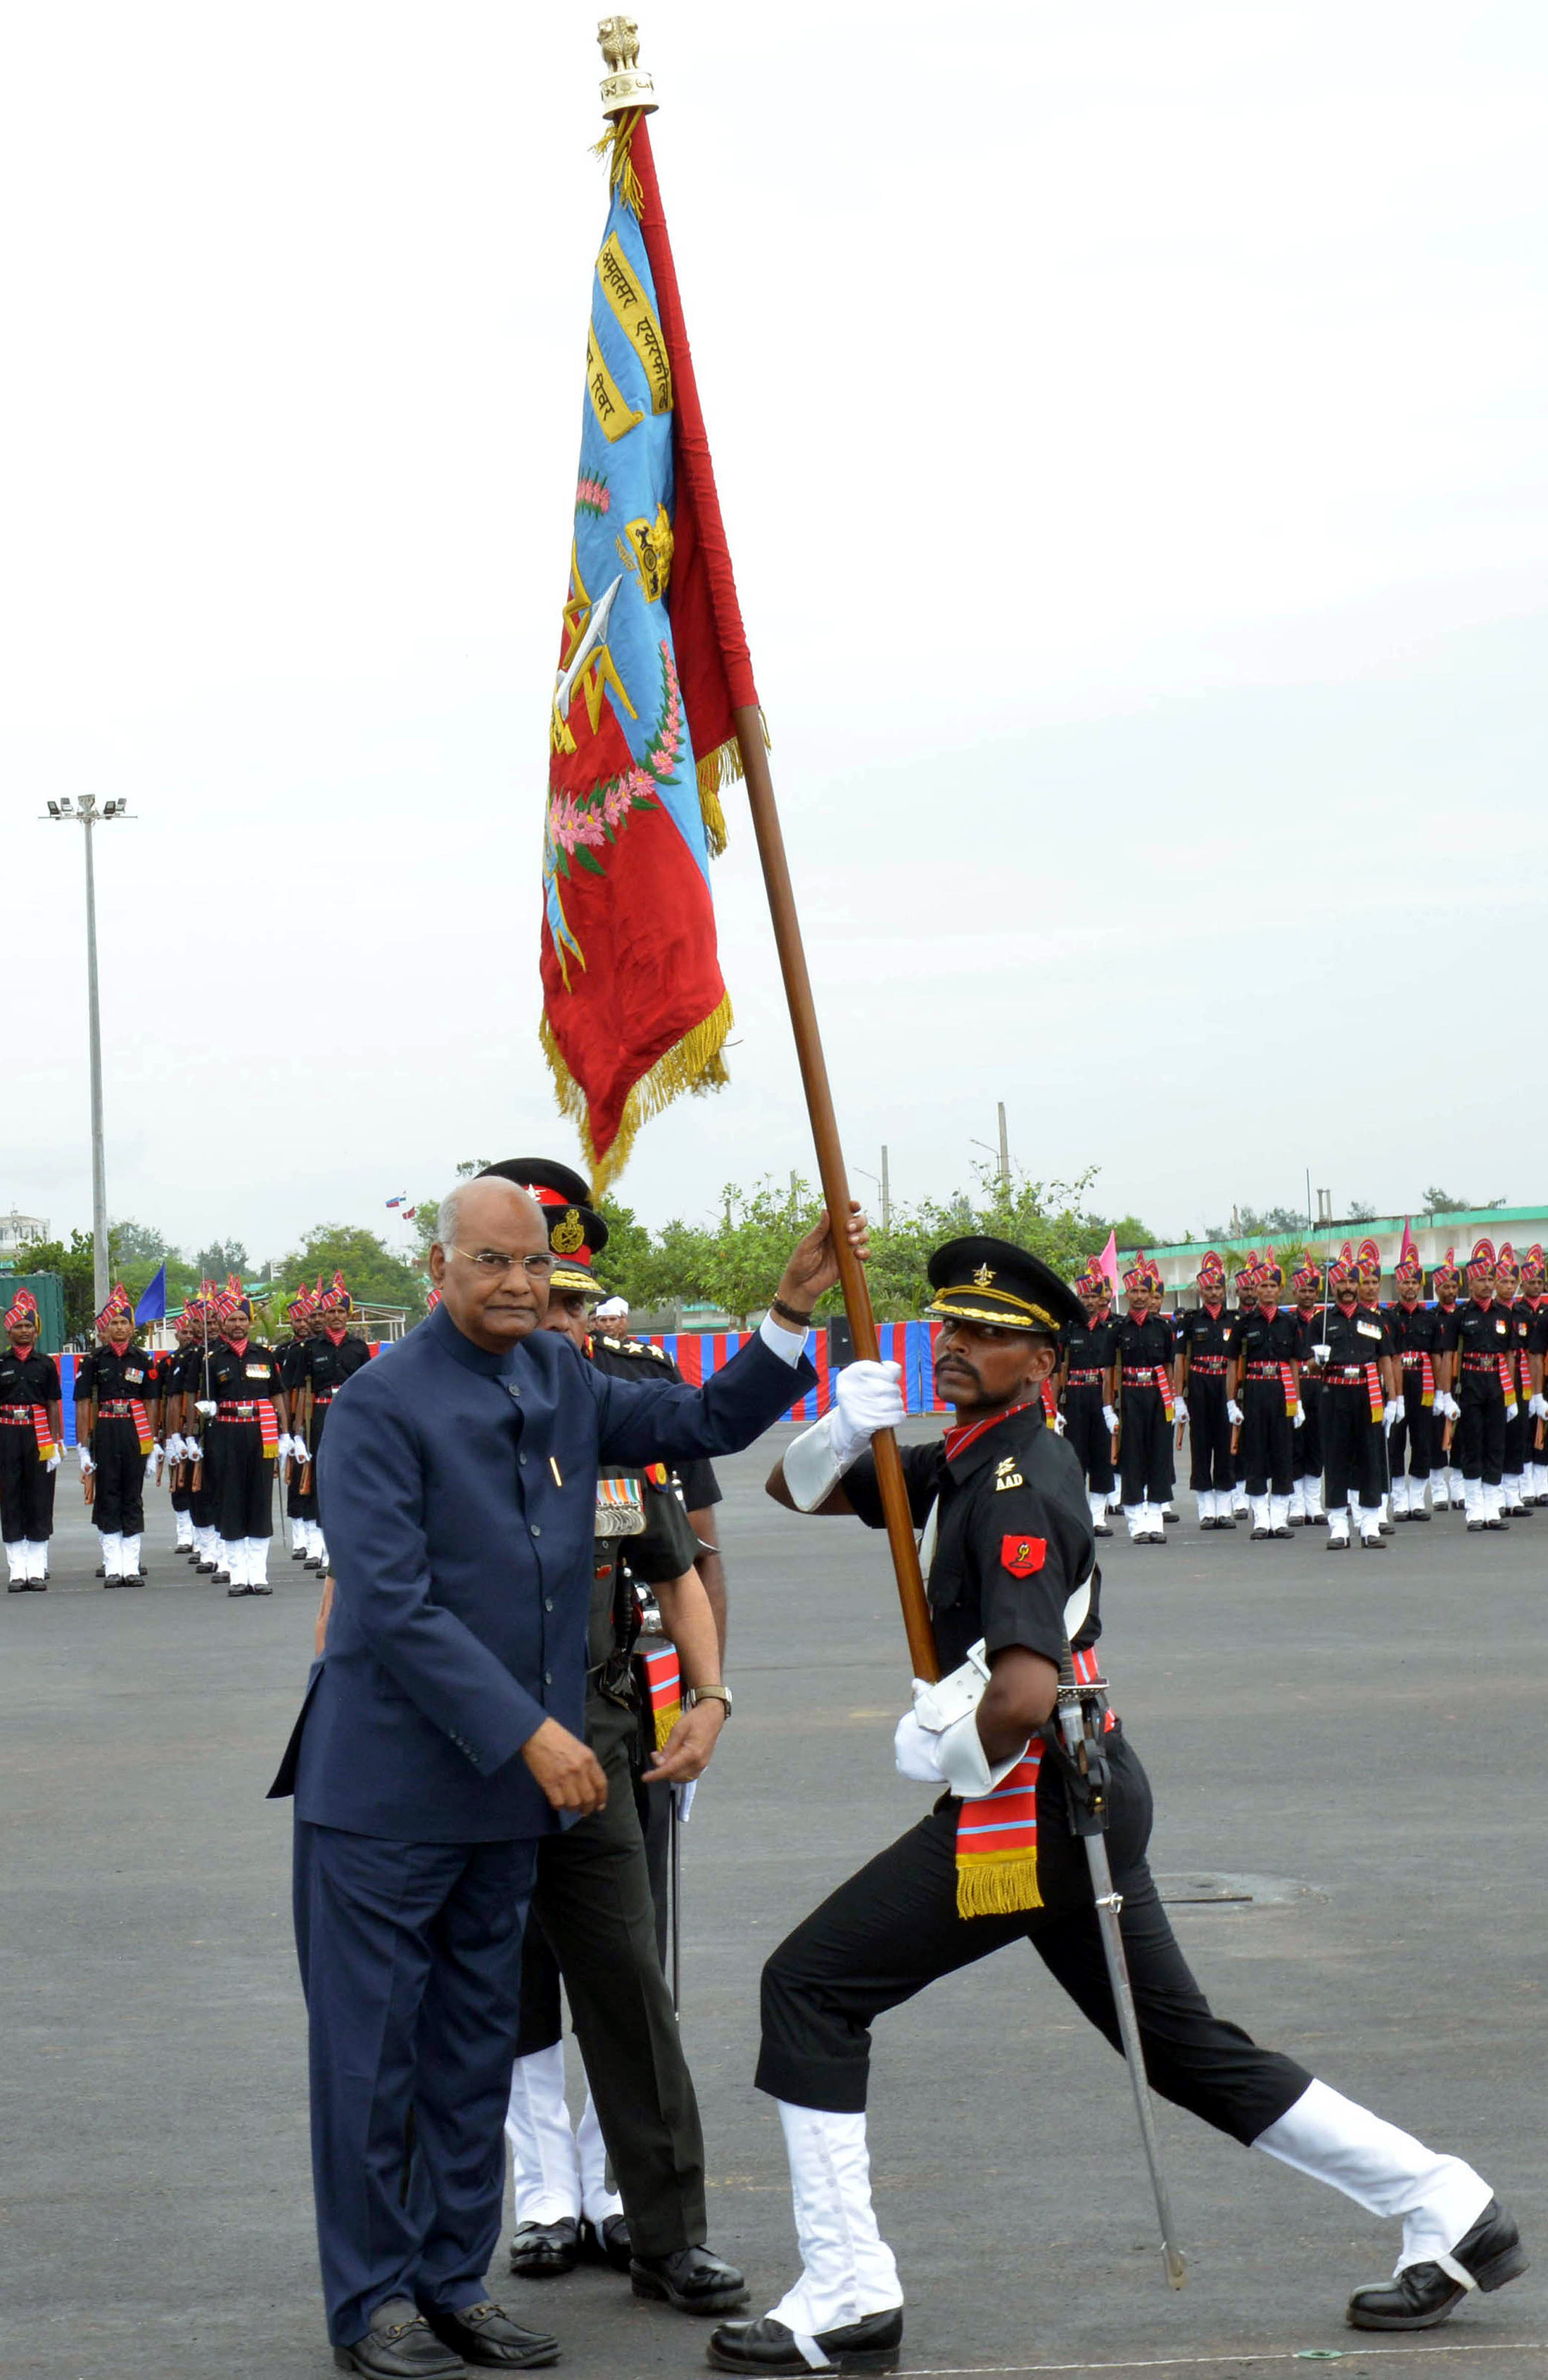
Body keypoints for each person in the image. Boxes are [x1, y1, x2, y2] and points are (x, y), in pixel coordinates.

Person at [705, 1233, 1528, 2376]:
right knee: (1184, 2048)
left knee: (809, 1985)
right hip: (1073, 1792)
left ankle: (849, 2285)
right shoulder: (972, 1450)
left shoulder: (1015, 1477)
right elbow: (798, 1490)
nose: (957, 1346)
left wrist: (952, 1746)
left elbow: (1028, 1684)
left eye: (988, 1334)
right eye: (951, 1326)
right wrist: (843, 1425)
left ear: (1040, 1360)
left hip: (1031, 1802)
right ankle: (1450, 2201)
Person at [269, 1174, 845, 2380]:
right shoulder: (379, 1404)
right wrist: (532, 1731)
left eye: (533, 1263)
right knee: (375, 2060)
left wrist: (790, 1313)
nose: (519, 1284)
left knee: (478, 2050)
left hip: (507, 1801)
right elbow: (392, 1603)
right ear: (440, 1268)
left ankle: (447, 2284)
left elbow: (698, 1423)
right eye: (491, 1262)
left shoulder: (560, 1376)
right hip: (384, 1795)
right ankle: (368, 2303)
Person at [494, 1161, 745, 2313]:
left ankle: (663, 2231)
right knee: (492, 1993)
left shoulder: (607, 1429)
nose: (562, 1323)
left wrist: (707, 1696)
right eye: (542, 1301)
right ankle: (536, 2198)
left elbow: (683, 1567)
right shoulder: (432, 1413)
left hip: (601, 1737)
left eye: (573, 1303)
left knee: (629, 1991)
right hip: (474, 1749)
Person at [193, 1280, 289, 1595]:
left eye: (242, 1319)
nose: (237, 1324)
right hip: (226, 1433)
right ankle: (237, 1575)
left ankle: (258, 1574)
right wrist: (204, 1411)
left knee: (259, 1499)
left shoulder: (264, 1356)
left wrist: (285, 1435)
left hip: (261, 1432)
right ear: (222, 1322)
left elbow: (277, 1397)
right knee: (231, 1500)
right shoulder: (212, 1359)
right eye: (232, 1319)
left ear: (250, 1322)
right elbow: (202, 1400)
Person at [74, 1284, 160, 1586]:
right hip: (107, 1429)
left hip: (135, 1430)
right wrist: (84, 1446)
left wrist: (151, 1446)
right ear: (106, 1327)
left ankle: (131, 1565)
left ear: (133, 1327)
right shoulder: (94, 1361)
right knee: (108, 1493)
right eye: (114, 1322)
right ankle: (113, 1565)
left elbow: (151, 1403)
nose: (120, 1327)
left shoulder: (143, 1359)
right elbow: (83, 1403)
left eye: (125, 1322)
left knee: (132, 1494)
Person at [1314, 1255, 1397, 1550]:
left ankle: (1370, 1525)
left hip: (1368, 1392)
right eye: (1342, 1282)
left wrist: (1393, 1399)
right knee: (1336, 1458)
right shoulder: (1321, 1322)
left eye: (1352, 1281)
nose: (1347, 1287)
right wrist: (1316, 1360)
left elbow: (1385, 1358)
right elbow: (1309, 1366)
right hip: (1334, 1394)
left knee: (1370, 1457)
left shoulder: (1374, 1319)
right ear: (1332, 1286)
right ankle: (1338, 1526)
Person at [297, 1272, 373, 1574]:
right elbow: (303, 1390)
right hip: (321, 1413)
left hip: (352, 1415)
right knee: (322, 1478)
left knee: (352, 1478)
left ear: (348, 1314)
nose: (337, 1316)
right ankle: (322, 1549)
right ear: (324, 1315)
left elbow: (369, 1388)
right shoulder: (311, 1349)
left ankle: (349, 1549)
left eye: (341, 1311)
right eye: (331, 1312)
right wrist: (299, 1430)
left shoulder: (359, 1347)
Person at [1231, 1251, 1301, 1540]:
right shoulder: (1244, 1324)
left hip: (1282, 1391)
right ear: (1255, 1289)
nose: (1268, 1291)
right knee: (1256, 1452)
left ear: (1280, 1290)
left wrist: (1297, 1401)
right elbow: (1234, 1363)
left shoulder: (1290, 1323)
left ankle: (1280, 1518)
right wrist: (1230, 1401)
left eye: (1273, 1286)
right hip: (1256, 1392)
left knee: (1283, 1452)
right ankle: (1261, 1518)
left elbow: (1295, 1363)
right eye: (1263, 1286)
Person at [1, 1287, 63, 1589]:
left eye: (29, 1326)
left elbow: (53, 1403)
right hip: (8, 1433)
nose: (24, 1331)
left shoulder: (46, 1364)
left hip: (39, 1435)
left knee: (40, 1498)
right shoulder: (2, 1364)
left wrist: (55, 1442)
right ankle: (17, 1570)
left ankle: (37, 1569)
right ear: (8, 1331)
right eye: (18, 1327)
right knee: (10, 1498)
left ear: (36, 1331)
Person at [1452, 1239, 1514, 1532]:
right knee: (1473, 1443)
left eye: (1491, 1278)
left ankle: (1492, 1507)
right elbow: (1452, 1355)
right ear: (1470, 1282)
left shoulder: (1504, 1315)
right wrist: (1448, 1393)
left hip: (1497, 1384)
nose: (1488, 1284)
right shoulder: (1462, 1315)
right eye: (1482, 1279)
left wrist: (1511, 1394)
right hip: (1471, 1383)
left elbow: (1510, 1355)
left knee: (1496, 1444)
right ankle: (1474, 1508)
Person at [1055, 1257, 1118, 1538]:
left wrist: (1112, 1405)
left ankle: (1098, 1518)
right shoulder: (1068, 1330)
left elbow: (1113, 1370)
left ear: (1102, 1297)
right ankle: (1078, 1518)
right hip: (1075, 1397)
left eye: (1094, 1296)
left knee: (1102, 1456)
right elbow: (1060, 1370)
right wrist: (1057, 1406)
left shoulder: (1110, 1331)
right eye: (1085, 1296)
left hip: (1100, 1396)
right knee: (1075, 1457)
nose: (1089, 1301)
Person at [1114, 1255, 1175, 1543]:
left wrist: (1175, 1400)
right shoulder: (1117, 1329)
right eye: (1134, 1291)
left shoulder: (1163, 1328)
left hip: (1158, 1393)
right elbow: (1111, 1369)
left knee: (1158, 1455)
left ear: (1152, 1295)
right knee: (1133, 1456)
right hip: (1129, 1395)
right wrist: (1109, 1407)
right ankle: (1136, 1522)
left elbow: (1169, 1366)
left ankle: (1155, 1519)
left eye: (1144, 1292)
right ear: (1127, 1294)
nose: (1139, 1297)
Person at [1174, 1251, 1236, 1528]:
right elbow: (1180, 1359)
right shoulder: (1190, 1321)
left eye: (1217, 1287)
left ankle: (1224, 1509)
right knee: (1201, 1445)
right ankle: (1206, 1511)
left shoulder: (1234, 1322)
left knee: (1225, 1443)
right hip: (1199, 1384)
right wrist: (1179, 1397)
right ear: (1201, 1290)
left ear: (1224, 1290)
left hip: (1224, 1384)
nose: (1213, 1292)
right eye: (1208, 1287)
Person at [1386, 1248, 1440, 1522]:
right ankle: (1398, 1500)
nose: (1409, 1287)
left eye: (1414, 1282)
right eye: (1405, 1282)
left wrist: (1441, 1393)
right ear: (1397, 1285)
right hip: (1397, 1384)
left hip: (1423, 1383)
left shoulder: (1430, 1319)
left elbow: (1438, 1356)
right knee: (1395, 1441)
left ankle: (1418, 1500)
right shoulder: (1388, 1318)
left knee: (1422, 1440)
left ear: (1420, 1286)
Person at [278, 1289, 321, 1562]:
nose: (304, 1324)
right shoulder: (287, 1352)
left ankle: (318, 1537)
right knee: (297, 1480)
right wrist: (288, 1429)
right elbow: (284, 1391)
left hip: (319, 1413)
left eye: (309, 1318)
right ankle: (300, 1538)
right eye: (298, 1320)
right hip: (297, 1417)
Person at [1493, 1245, 1533, 1519]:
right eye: (1503, 1281)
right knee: (1495, 1438)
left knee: (1518, 1436)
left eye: (1512, 1282)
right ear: (1495, 1283)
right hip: (1493, 1378)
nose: (1509, 1286)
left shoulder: (1524, 1314)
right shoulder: (1491, 1312)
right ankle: (1493, 1495)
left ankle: (1512, 1493)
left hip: (1520, 1378)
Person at [1288, 1260, 1328, 1526]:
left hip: (1319, 1389)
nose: (1307, 1294)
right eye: (1302, 1290)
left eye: (1311, 1291)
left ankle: (1313, 1503)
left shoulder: (1324, 1322)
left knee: (1317, 1447)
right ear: (1295, 1292)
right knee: (1293, 1447)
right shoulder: (1287, 1322)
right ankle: (1295, 1504)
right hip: (1294, 1388)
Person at [1428, 1251, 1465, 1511]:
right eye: (1445, 1286)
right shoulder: (1431, 1318)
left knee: (1462, 1435)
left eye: (1454, 1286)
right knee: (1434, 1436)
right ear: (1436, 1288)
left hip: (1462, 1380)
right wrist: (1440, 1391)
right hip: (1436, 1383)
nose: (1450, 1291)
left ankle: (1460, 1488)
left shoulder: (1464, 1315)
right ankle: (1439, 1489)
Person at [1520, 1246, 1548, 1505]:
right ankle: (1525, 1484)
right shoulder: (1516, 1312)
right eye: (1532, 1281)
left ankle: (1542, 1485)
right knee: (1524, 1431)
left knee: (1544, 1431)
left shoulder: (1545, 1313)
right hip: (1520, 1377)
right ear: (1523, 1283)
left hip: (1542, 1375)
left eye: (1541, 1281)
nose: (1537, 1286)